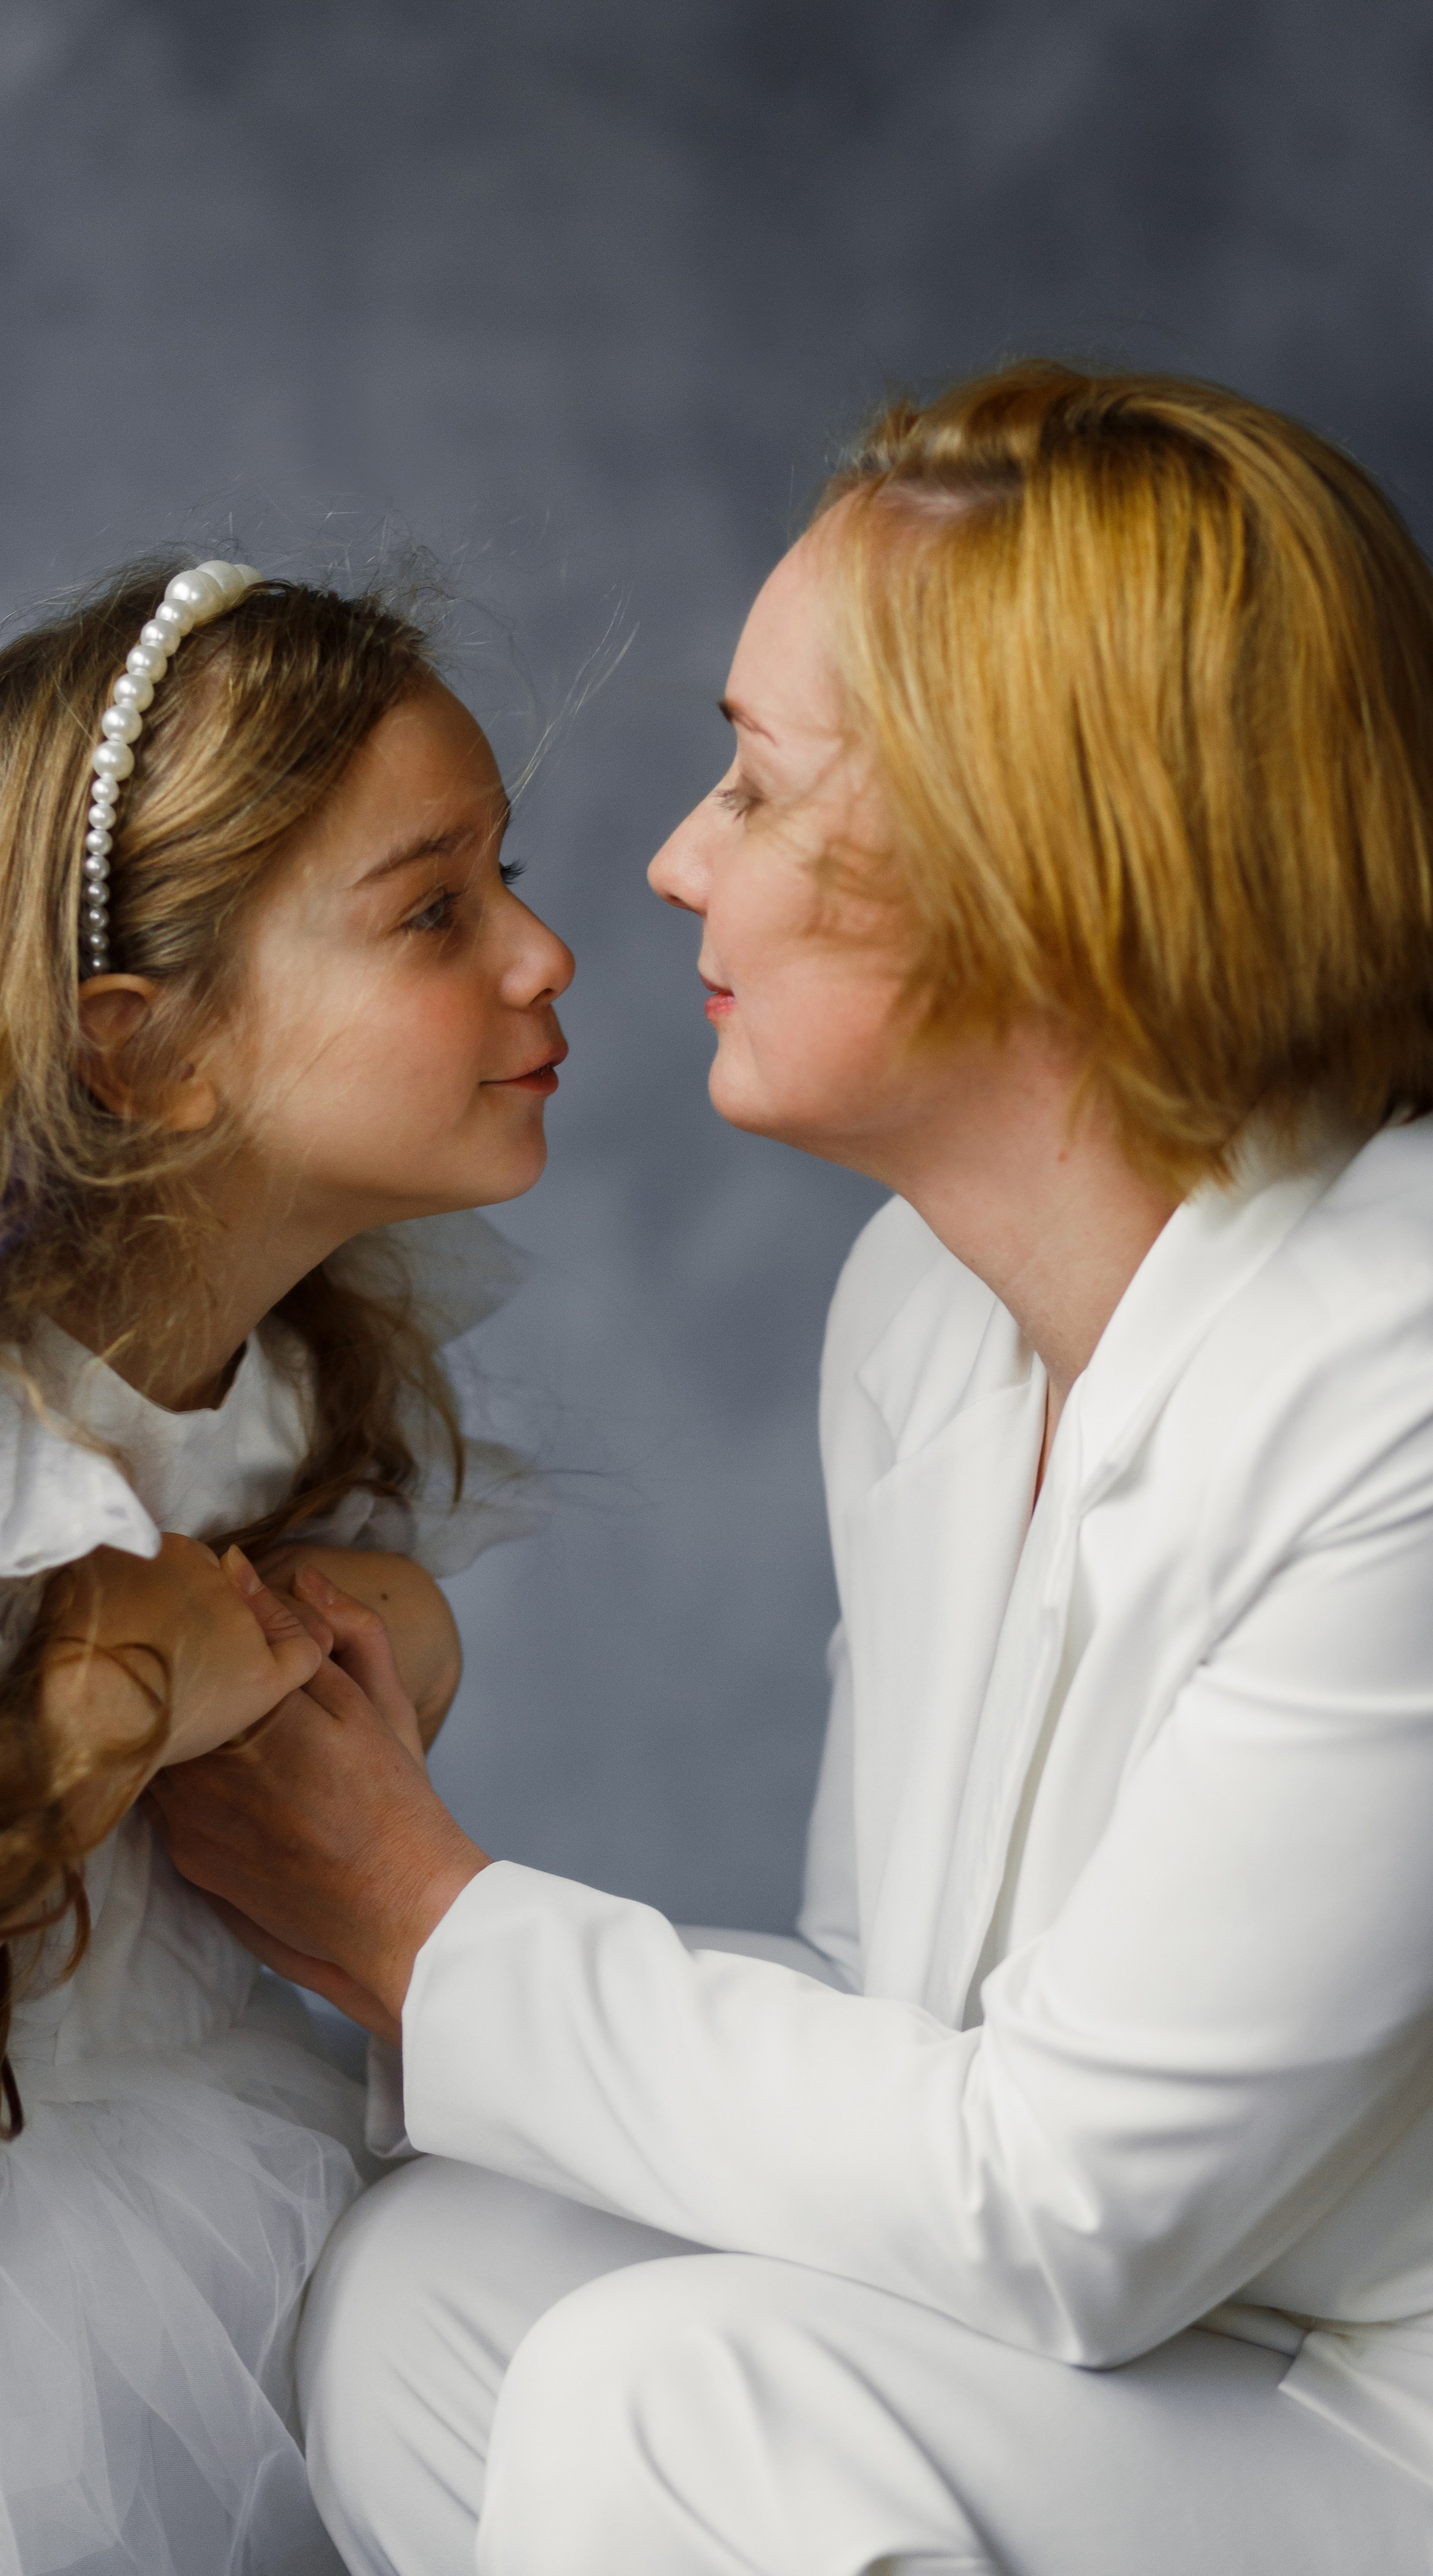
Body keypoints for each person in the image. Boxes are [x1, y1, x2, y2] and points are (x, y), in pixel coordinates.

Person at [153, 366, 1433, 2575]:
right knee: (432, 2288)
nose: (671, 861)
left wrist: (419, 1924)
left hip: (1381, 2418)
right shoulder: (921, 1314)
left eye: (758, 782)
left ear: (1046, 866)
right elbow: (906, 2018)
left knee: (682, 2404)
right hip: (1194, 2357)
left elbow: (1067, 2210)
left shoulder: (1395, 1386)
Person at [0, 557, 572, 2575]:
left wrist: (382, 1640)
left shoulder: (282, 1400)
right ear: (143, 1049)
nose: (541, 953)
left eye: (504, 880)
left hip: (231, 2253)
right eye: (434, 910)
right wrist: (100, 1710)